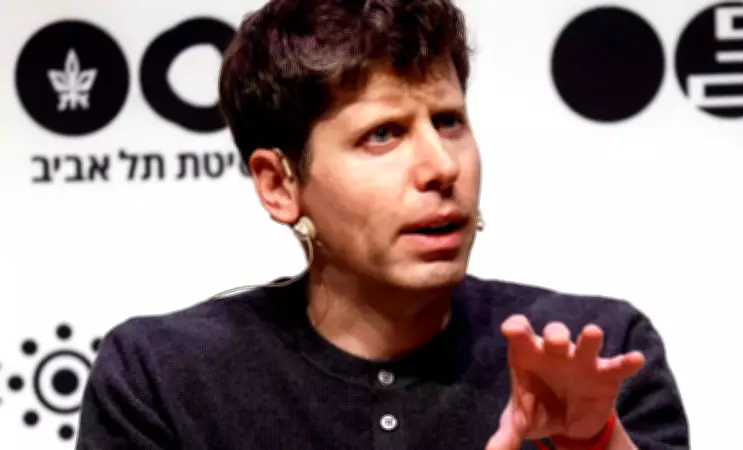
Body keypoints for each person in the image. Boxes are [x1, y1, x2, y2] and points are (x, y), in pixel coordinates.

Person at [75, 0, 690, 448]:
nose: (441, 167)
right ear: (279, 185)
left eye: (449, 121)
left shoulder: (596, 352)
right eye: (383, 135)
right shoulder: (164, 378)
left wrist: (594, 443)